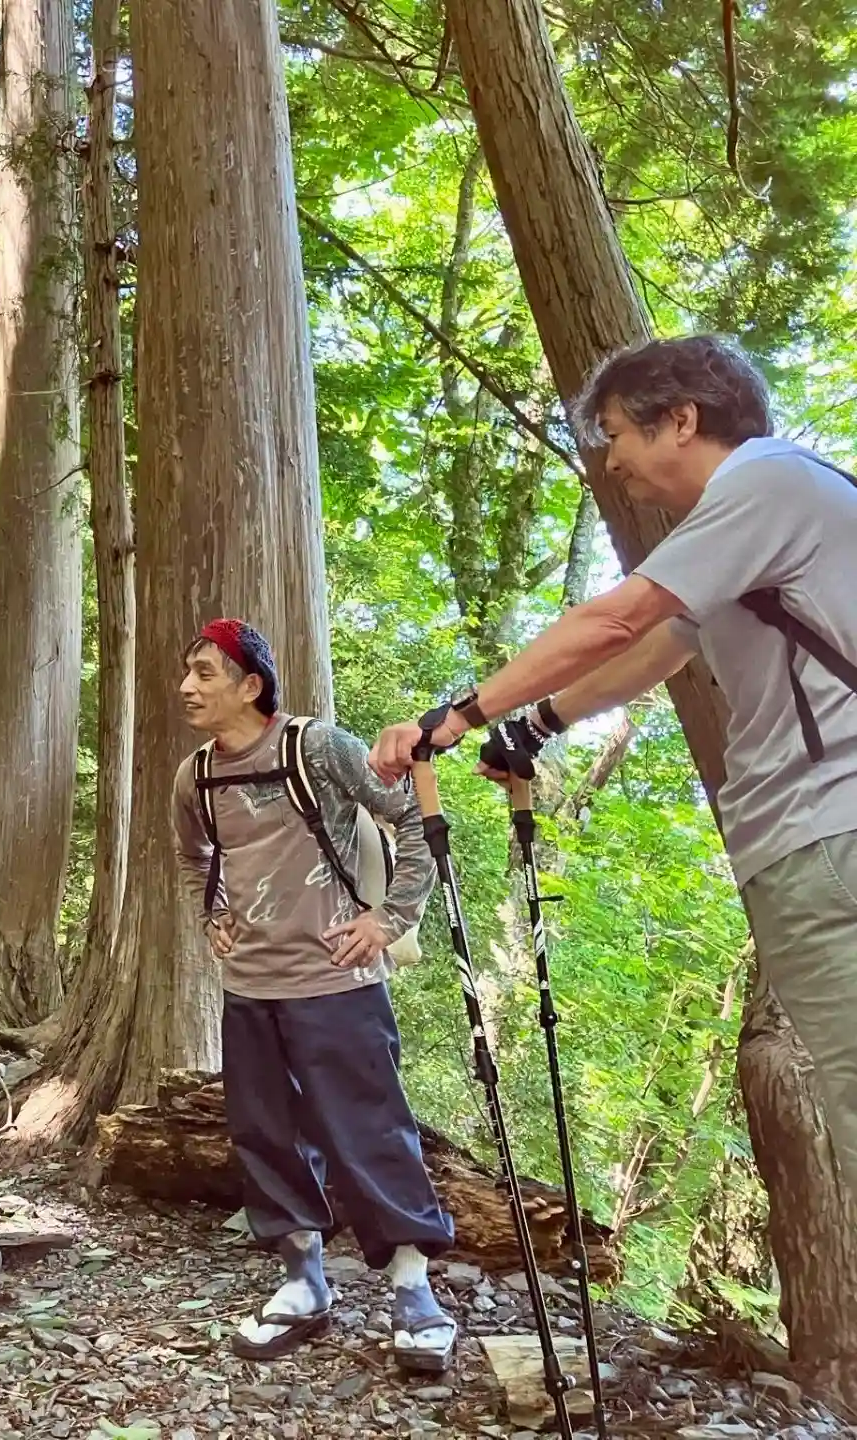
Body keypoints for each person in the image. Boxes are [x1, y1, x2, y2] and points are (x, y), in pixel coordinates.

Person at [369, 335, 857, 1179]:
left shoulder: (764, 481)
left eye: (617, 434)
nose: (612, 460)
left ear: (681, 420)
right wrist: (538, 723)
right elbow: (660, 647)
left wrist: (461, 714)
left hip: (827, 829)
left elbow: (615, 621)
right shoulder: (772, 512)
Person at [176, 620, 458, 1368]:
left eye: (205, 673)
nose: (187, 688)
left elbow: (413, 817)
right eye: (187, 673)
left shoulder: (317, 747)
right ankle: (303, 1282)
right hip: (249, 988)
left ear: (251, 686)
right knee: (266, 1135)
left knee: (370, 1129)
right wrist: (210, 914)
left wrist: (389, 918)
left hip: (338, 981)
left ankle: (413, 1289)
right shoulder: (194, 775)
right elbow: (192, 854)